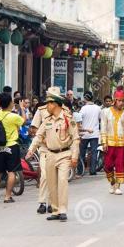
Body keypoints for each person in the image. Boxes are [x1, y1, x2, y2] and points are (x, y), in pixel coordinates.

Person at [27, 87, 79, 222]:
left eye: (49, 103)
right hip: (49, 154)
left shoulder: (67, 118)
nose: (46, 105)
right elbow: (38, 135)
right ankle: (55, 210)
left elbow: (75, 138)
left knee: (62, 181)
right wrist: (31, 149)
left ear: (55, 104)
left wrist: (74, 156)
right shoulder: (47, 119)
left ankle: (62, 210)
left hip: (64, 154)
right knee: (51, 183)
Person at [0, 92, 27, 204]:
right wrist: (22, 109)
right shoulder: (14, 116)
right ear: (10, 103)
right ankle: (7, 196)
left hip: (0, 146)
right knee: (11, 172)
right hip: (11, 146)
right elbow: (24, 121)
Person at [100, 87, 124, 195]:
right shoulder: (106, 112)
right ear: (114, 101)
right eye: (119, 100)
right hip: (109, 143)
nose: (122, 103)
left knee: (119, 165)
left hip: (121, 144)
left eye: (123, 101)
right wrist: (104, 142)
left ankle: (118, 186)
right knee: (107, 165)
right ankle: (112, 182)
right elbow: (103, 127)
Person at [75, 91, 101, 176]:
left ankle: (80, 170)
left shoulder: (83, 108)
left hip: (84, 134)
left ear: (85, 98)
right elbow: (100, 119)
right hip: (94, 133)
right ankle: (93, 170)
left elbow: (79, 119)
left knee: (81, 152)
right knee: (93, 152)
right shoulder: (98, 108)